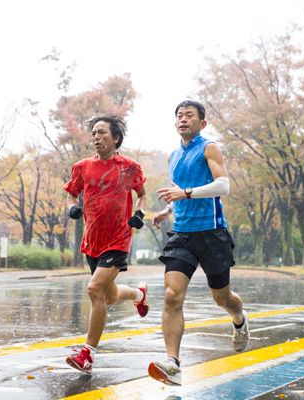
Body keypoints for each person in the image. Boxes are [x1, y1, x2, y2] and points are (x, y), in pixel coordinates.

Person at [148, 100, 249, 386]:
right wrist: (168, 210)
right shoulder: (173, 156)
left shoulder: (209, 148)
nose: (182, 119)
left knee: (222, 298)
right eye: (178, 116)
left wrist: (188, 193)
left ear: (202, 123)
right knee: (171, 295)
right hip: (182, 234)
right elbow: (179, 193)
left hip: (212, 232)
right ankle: (173, 363)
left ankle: (239, 318)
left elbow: (223, 186)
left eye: (189, 115)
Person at [63, 114, 149, 374]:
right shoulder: (82, 167)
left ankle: (87, 354)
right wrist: (73, 208)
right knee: (108, 296)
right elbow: (71, 194)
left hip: (118, 238)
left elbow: (142, 195)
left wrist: (140, 214)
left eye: (102, 133)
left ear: (116, 138)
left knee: (94, 289)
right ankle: (138, 294)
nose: (96, 138)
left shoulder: (130, 167)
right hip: (93, 240)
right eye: (93, 134)